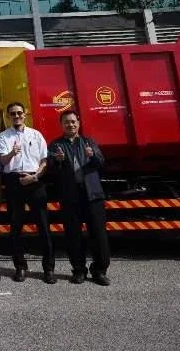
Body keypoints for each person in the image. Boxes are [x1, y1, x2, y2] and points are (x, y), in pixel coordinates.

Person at [0, 101, 56, 284]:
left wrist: (35, 177)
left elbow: (45, 161)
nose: (16, 116)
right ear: (8, 116)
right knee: (16, 227)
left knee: (44, 227)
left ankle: (48, 270)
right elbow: (3, 162)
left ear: (25, 114)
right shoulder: (3, 137)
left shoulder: (36, 135)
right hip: (13, 182)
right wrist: (12, 153)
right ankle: (20, 267)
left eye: (19, 113)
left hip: (34, 181)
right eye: (12, 114)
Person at [50, 109, 110, 286]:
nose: (71, 125)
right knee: (73, 236)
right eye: (67, 122)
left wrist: (94, 156)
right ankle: (79, 270)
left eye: (73, 121)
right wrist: (58, 160)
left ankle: (99, 271)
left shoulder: (88, 142)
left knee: (99, 235)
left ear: (79, 123)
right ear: (62, 125)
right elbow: (51, 168)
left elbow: (101, 162)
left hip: (92, 196)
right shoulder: (56, 145)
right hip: (70, 197)